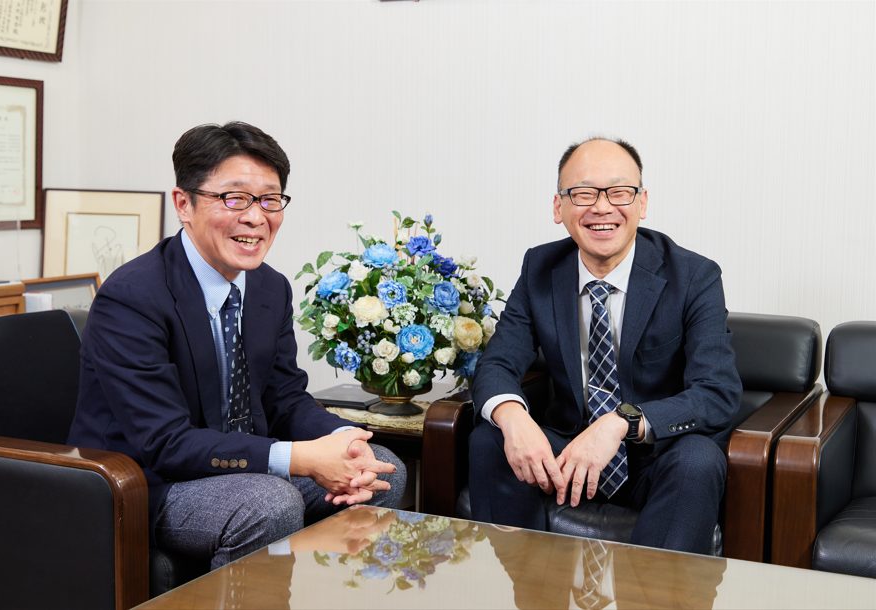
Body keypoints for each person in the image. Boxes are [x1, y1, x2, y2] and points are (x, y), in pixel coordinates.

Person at [68, 121, 405, 569]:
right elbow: (165, 442)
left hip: (244, 465)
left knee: (381, 469)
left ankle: (322, 595)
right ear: (183, 204)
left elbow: (284, 398)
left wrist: (344, 440)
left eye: (269, 199)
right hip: (147, 482)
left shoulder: (269, 288)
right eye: (235, 198)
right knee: (269, 503)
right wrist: (301, 457)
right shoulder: (132, 297)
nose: (255, 217)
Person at [468, 137, 741, 553]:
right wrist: (514, 420)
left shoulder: (693, 276)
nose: (601, 207)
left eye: (619, 192)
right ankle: (526, 582)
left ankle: (654, 590)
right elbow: (497, 364)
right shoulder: (540, 268)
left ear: (642, 203)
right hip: (565, 455)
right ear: (558, 207)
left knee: (698, 460)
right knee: (490, 439)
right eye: (583, 193)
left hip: (654, 457)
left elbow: (717, 392)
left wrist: (619, 423)